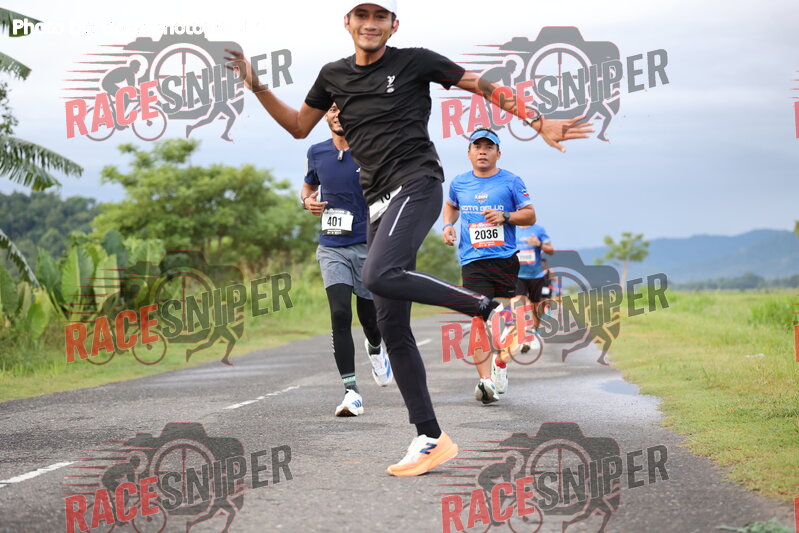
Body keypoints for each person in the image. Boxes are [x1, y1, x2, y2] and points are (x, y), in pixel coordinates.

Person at [224, 0, 592, 477]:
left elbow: (482, 85)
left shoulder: (415, 61)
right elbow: (298, 126)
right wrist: (255, 83)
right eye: (362, 15)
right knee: (391, 323)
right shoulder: (332, 75)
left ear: (393, 24)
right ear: (347, 22)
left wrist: (538, 121)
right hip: (377, 204)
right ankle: (430, 437)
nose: (370, 24)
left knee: (379, 273)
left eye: (380, 16)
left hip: (417, 184)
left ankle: (488, 308)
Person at [300, 103, 393, 418]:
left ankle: (376, 348)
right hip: (331, 246)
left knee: (369, 319)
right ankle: (351, 392)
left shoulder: (371, 150)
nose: (337, 114)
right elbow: (308, 185)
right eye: (331, 109)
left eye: (343, 108)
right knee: (340, 313)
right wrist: (307, 201)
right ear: (326, 116)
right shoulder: (317, 152)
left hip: (367, 245)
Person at [442, 128, 534, 402]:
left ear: (498, 153)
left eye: (489, 147)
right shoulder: (459, 182)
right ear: (469, 153)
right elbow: (451, 205)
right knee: (477, 318)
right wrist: (447, 225)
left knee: (516, 320)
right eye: (477, 146)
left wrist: (505, 216)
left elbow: (530, 215)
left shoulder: (511, 181)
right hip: (473, 261)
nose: (482, 151)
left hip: (505, 260)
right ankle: (485, 382)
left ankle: (501, 361)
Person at [514, 224, 554, 353]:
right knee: (518, 303)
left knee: (537, 307)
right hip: (518, 275)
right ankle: (523, 336)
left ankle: (534, 332)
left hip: (536, 275)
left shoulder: (538, 230)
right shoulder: (511, 228)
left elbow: (551, 250)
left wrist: (538, 244)